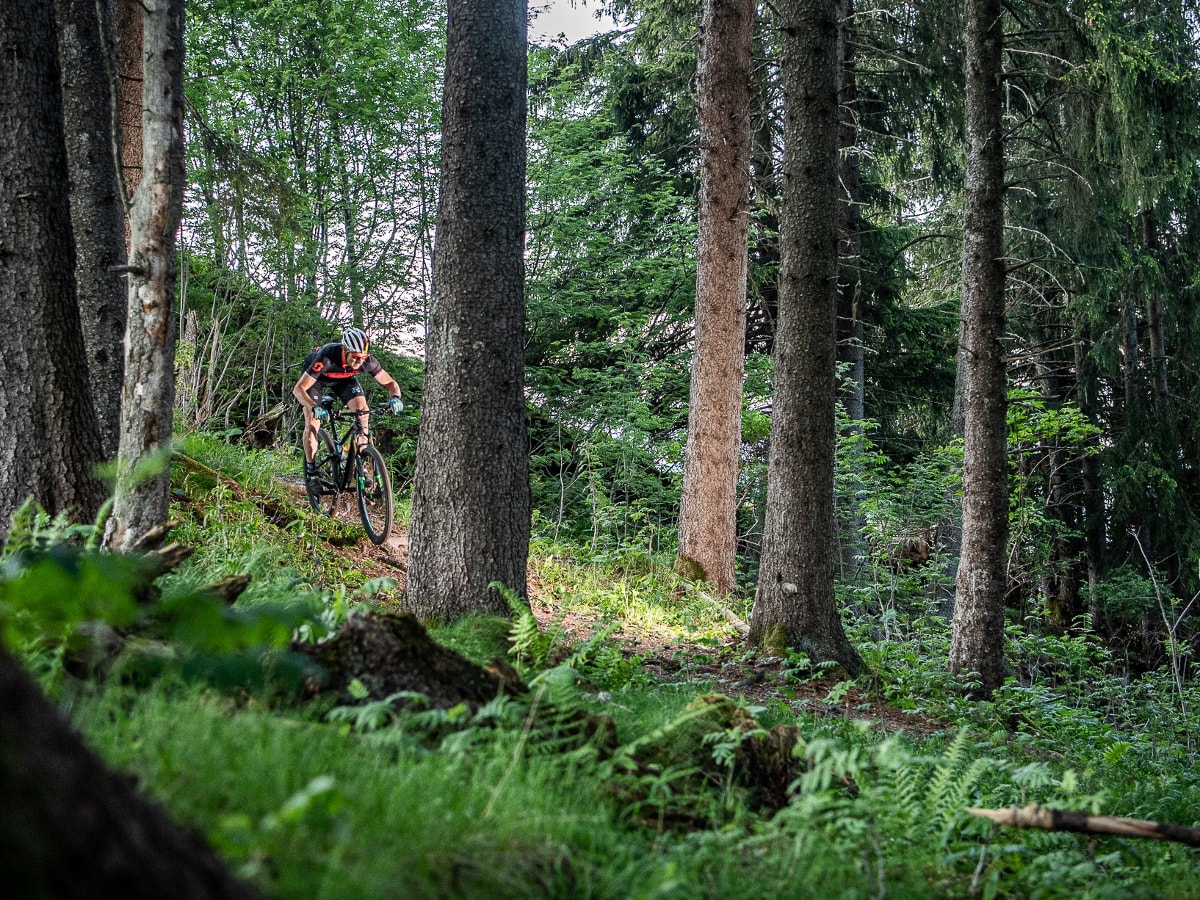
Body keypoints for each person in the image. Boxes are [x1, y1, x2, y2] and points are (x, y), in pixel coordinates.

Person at [292, 327, 403, 485]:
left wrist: (396, 398)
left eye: (363, 358)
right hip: (316, 380)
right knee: (312, 423)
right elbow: (298, 389)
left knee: (362, 411)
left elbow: (390, 383)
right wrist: (314, 407)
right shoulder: (326, 357)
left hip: (344, 379)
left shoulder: (367, 361)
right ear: (345, 350)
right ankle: (312, 471)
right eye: (356, 357)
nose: (359, 362)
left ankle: (357, 459)